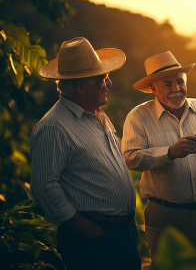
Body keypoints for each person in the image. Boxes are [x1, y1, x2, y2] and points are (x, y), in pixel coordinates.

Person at [30, 37, 141, 270]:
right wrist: (88, 230)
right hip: (93, 238)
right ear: (81, 87)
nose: (109, 83)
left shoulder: (96, 113)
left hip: (122, 233)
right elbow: (45, 187)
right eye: (103, 78)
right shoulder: (54, 127)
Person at [121, 51, 196, 258]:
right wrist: (169, 153)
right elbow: (130, 158)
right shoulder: (138, 116)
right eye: (168, 84)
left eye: (180, 82)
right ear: (153, 88)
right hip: (165, 215)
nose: (176, 89)